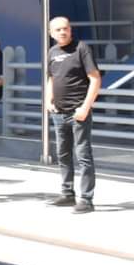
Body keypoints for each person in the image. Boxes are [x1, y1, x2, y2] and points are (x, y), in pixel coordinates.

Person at [46, 17, 101, 214]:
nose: (63, 32)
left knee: (83, 155)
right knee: (63, 154)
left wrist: (85, 107)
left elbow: (95, 79)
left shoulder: (81, 49)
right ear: (51, 33)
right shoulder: (52, 52)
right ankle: (67, 193)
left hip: (78, 113)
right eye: (58, 30)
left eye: (66, 28)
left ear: (70, 30)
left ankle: (86, 199)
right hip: (58, 113)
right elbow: (51, 78)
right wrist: (48, 100)